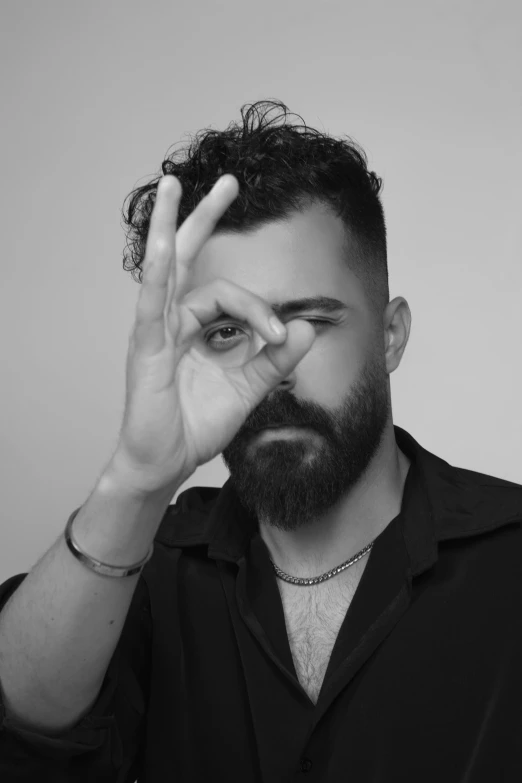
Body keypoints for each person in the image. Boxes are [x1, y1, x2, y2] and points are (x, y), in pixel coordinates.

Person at [0, 100, 521, 783]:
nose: (269, 370)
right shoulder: (142, 566)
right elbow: (22, 740)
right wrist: (135, 479)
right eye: (227, 332)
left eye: (307, 322)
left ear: (390, 335)